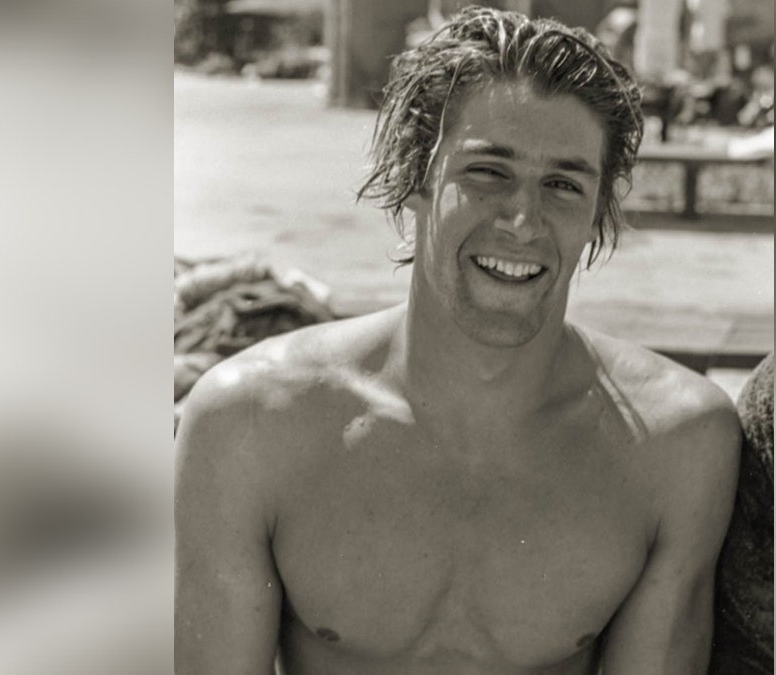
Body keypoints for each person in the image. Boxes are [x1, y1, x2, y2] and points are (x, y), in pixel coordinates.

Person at [175, 7, 740, 674]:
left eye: (562, 184)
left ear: (599, 210)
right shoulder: (249, 426)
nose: (523, 220)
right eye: (487, 172)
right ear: (416, 177)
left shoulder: (675, 446)